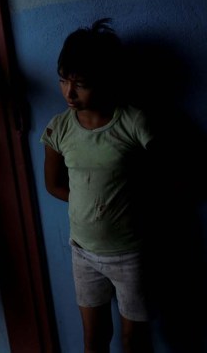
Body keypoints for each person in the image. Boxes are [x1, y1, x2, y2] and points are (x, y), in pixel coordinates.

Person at [40, 18, 154, 353]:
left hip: (130, 254)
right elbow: (53, 185)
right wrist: (89, 208)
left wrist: (130, 204)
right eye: (63, 81)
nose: (69, 93)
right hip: (84, 254)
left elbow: (166, 173)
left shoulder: (133, 123)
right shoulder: (58, 130)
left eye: (81, 84)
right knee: (94, 340)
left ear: (104, 81)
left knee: (135, 341)